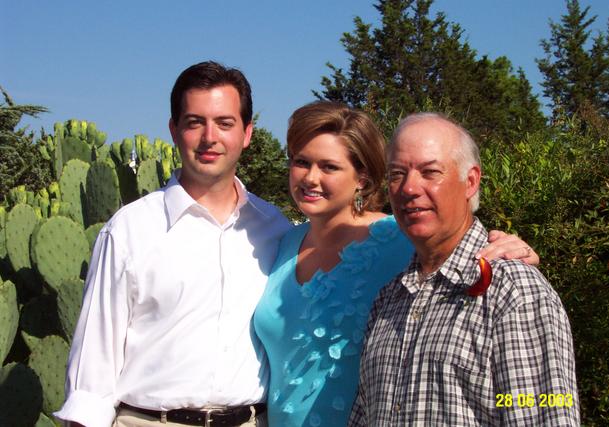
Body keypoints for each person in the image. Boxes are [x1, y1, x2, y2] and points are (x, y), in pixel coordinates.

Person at [253, 102, 540, 427]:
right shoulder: (281, 242)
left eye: (329, 167)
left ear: (361, 177)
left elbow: (461, 242)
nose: (310, 177)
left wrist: (514, 251)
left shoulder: (399, 236)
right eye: (301, 162)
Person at [54, 61, 290, 427]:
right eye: (195, 122)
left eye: (225, 123)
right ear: (174, 130)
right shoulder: (129, 230)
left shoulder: (274, 228)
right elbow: (92, 369)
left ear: (247, 133)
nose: (210, 137)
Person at [348, 113, 579, 426]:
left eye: (430, 172)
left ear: (470, 181)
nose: (409, 188)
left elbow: (544, 416)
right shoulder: (389, 299)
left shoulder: (513, 292)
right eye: (397, 174)